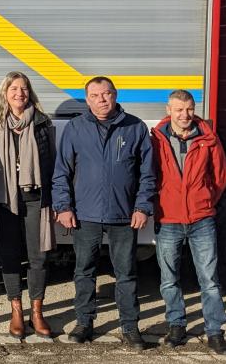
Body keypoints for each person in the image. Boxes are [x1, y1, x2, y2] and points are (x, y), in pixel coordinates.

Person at [52, 76, 155, 350]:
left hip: (124, 215)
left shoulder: (135, 127)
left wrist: (142, 207)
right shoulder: (76, 128)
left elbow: (147, 174)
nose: (101, 100)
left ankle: (130, 327)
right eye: (95, 95)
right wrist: (63, 206)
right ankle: (84, 322)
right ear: (87, 100)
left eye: (106, 94)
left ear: (115, 95)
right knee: (84, 271)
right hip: (85, 214)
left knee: (126, 273)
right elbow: (62, 171)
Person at [150, 90, 226, 356]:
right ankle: (176, 326)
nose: (184, 115)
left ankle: (215, 332)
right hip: (168, 219)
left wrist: (205, 200)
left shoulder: (208, 139)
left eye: (189, 109)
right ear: (169, 110)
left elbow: (220, 176)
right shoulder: (156, 140)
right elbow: (149, 175)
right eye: (179, 110)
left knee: (209, 280)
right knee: (168, 279)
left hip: (201, 219)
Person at [0, 71, 56, 339]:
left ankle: (37, 312)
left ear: (29, 92)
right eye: (14, 88)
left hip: (36, 198)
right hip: (5, 200)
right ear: (5, 93)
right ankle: (16, 311)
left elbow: (53, 163)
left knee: (39, 257)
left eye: (24, 89)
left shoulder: (43, 123)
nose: (19, 93)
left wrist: (57, 199)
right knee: (10, 256)